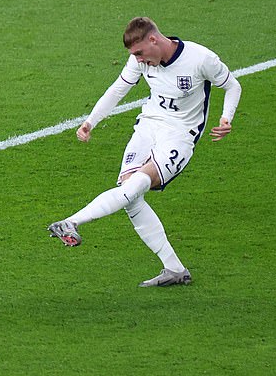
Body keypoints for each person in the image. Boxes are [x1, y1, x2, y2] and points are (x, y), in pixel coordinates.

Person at [48, 17, 242, 287]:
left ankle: (72, 221)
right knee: (130, 196)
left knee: (138, 183)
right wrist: (91, 121)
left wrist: (226, 117)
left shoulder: (200, 59)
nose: (137, 60)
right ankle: (174, 269)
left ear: (153, 40)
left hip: (179, 135)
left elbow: (232, 85)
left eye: (139, 53)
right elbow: (119, 88)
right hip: (147, 128)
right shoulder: (139, 59)